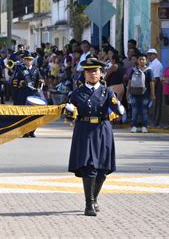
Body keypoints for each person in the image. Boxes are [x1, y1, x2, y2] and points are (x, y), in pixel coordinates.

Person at [65, 58, 125, 216]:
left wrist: (119, 107)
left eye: (95, 71)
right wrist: (69, 110)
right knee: (89, 167)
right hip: (85, 130)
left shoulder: (107, 92)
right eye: (89, 71)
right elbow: (69, 115)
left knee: (102, 170)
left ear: (101, 73)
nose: (92, 74)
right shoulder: (77, 93)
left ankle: (94, 198)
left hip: (102, 129)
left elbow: (117, 111)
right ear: (84, 73)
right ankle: (89, 204)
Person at [11, 51, 44, 138]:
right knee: (24, 114)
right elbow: (13, 82)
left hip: (33, 94)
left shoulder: (36, 69)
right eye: (27, 59)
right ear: (24, 60)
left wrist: (40, 84)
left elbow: (40, 79)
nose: (29, 61)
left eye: (30, 60)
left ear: (32, 61)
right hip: (22, 94)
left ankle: (32, 130)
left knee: (33, 114)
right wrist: (20, 83)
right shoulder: (19, 69)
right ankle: (24, 131)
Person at [127, 54, 155, 133]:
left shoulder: (149, 70)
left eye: (143, 59)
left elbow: (151, 82)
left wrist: (152, 93)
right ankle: (134, 126)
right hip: (133, 93)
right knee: (134, 110)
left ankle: (144, 126)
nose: (141, 61)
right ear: (138, 61)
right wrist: (127, 91)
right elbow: (129, 82)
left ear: (146, 60)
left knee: (144, 110)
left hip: (145, 94)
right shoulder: (133, 70)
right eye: (140, 59)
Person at [147, 49, 163, 127]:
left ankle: (155, 122)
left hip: (156, 86)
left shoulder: (157, 64)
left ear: (155, 55)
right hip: (152, 85)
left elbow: (156, 79)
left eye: (151, 54)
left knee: (156, 105)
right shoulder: (151, 63)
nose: (149, 56)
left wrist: (152, 90)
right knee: (151, 105)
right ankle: (151, 121)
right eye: (148, 54)